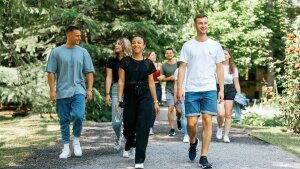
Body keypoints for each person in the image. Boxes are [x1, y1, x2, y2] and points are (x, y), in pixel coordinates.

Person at [177, 13, 224, 168]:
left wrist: (221, 89)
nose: (203, 25)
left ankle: (203, 157)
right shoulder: (188, 45)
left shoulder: (215, 45)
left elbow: (219, 68)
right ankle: (193, 141)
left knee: (207, 121)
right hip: (191, 89)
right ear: (195, 25)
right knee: (191, 124)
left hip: (209, 88)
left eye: (205, 23)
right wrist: (179, 88)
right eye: (200, 23)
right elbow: (182, 67)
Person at [46, 26, 95, 159]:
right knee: (64, 120)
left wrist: (89, 89)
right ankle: (66, 147)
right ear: (69, 35)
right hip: (62, 91)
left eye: (80, 35)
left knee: (79, 116)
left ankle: (77, 141)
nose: (80, 38)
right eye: (77, 36)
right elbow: (51, 72)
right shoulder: (56, 52)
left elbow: (89, 72)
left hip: (79, 89)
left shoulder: (83, 52)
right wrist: (52, 90)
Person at [116, 35, 160, 169]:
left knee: (143, 126)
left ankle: (139, 159)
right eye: (134, 42)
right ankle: (129, 141)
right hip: (130, 95)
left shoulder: (148, 63)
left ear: (144, 45)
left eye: (139, 43)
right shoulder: (125, 62)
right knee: (129, 125)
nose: (136, 45)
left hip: (145, 96)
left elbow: (151, 83)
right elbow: (121, 81)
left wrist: (155, 101)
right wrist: (119, 100)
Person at [105, 37, 132, 148]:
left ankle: (128, 142)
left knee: (129, 119)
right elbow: (109, 77)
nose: (116, 45)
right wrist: (107, 94)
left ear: (124, 46)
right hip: (116, 90)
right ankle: (118, 136)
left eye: (119, 44)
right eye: (115, 43)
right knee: (116, 121)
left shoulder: (131, 59)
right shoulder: (111, 60)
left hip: (130, 90)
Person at [216, 48, 241, 143]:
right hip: (218, 89)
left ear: (229, 56)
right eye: (222, 54)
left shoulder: (233, 68)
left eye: (225, 54)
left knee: (228, 114)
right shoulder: (217, 66)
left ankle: (226, 135)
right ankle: (219, 127)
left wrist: (239, 95)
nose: (224, 55)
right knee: (220, 113)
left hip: (230, 89)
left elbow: (236, 83)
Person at [158, 48, 182, 136]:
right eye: (167, 53)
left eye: (170, 53)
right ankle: (172, 128)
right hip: (169, 90)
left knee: (179, 111)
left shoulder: (179, 64)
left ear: (173, 54)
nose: (169, 54)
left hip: (178, 89)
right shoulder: (163, 66)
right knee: (170, 109)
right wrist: (169, 78)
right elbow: (161, 78)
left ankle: (178, 120)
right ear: (165, 55)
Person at [146, 51, 162, 135]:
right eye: (152, 55)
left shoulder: (159, 65)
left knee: (154, 107)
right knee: (146, 107)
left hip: (157, 87)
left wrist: (162, 77)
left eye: (155, 54)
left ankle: (150, 127)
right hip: (146, 87)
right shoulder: (144, 64)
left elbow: (164, 75)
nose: (154, 56)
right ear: (148, 56)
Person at [173, 61, 189, 143]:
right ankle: (186, 134)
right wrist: (175, 95)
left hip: (194, 94)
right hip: (182, 94)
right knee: (184, 115)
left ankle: (190, 132)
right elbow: (176, 84)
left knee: (193, 116)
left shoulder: (194, 68)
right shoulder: (178, 70)